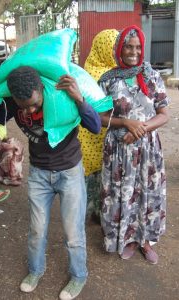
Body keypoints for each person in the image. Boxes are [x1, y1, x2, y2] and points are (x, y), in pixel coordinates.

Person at [0, 66, 101, 300]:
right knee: (37, 231)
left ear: (42, 89)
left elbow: (96, 126)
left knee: (73, 233)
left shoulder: (60, 95)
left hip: (69, 171)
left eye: (34, 104)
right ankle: (35, 271)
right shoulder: (15, 100)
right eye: (23, 105)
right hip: (39, 174)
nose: (28, 110)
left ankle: (79, 275)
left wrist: (79, 99)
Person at [99, 25, 169, 265]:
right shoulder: (107, 80)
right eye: (128, 46)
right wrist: (125, 122)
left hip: (147, 148)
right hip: (118, 149)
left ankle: (146, 240)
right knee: (122, 193)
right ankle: (127, 239)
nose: (134, 51)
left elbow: (164, 114)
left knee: (147, 193)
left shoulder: (151, 75)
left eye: (138, 47)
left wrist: (140, 130)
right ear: (120, 48)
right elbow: (100, 118)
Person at [78, 29, 118, 223]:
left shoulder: (85, 70)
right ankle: (100, 212)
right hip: (102, 133)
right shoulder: (110, 76)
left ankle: (89, 210)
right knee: (103, 173)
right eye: (113, 48)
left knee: (91, 175)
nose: (116, 51)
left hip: (87, 135)